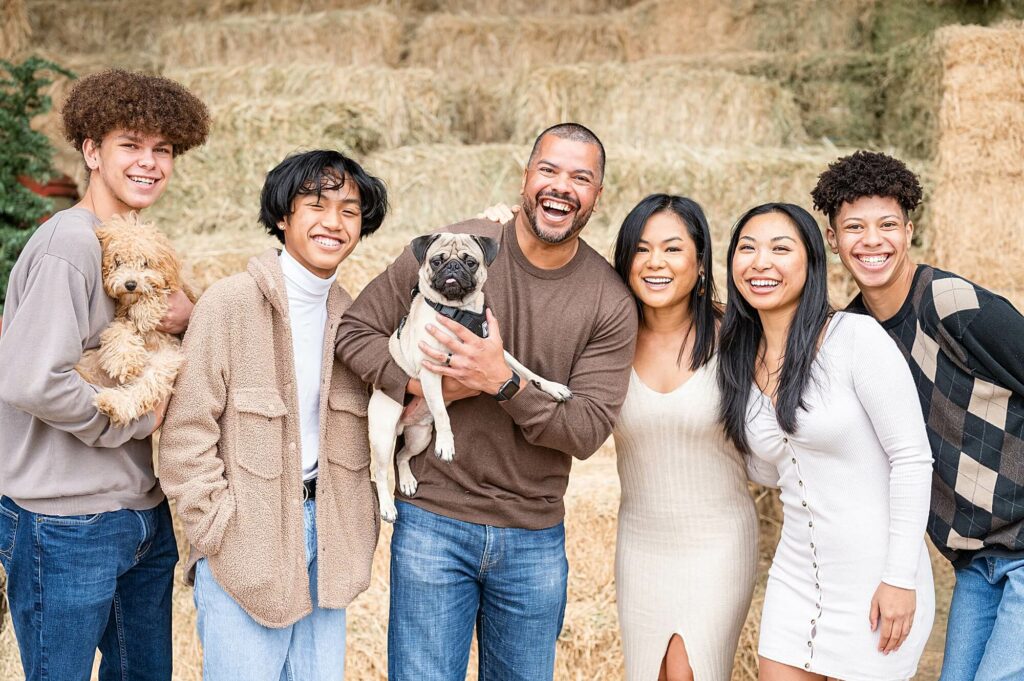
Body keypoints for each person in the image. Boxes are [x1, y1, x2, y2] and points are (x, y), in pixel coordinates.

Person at [336, 122, 637, 680]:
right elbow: (355, 332)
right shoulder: (454, 244)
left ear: (598, 193)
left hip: (533, 534)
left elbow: (587, 431)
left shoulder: (609, 299)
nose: (561, 187)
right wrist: (419, 388)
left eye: (581, 178)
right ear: (525, 176)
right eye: (548, 170)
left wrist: (502, 381)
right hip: (433, 521)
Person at [0, 70, 208, 681]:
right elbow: (31, 379)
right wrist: (140, 416)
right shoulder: (69, 244)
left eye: (163, 149)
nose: (150, 163)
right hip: (65, 523)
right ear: (91, 151)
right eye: (130, 144)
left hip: (140, 510)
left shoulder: (134, 246)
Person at [157, 150, 387, 681]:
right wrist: (218, 529)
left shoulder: (354, 321)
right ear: (283, 217)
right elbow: (186, 433)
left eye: (349, 211)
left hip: (330, 544)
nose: (334, 222)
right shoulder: (229, 305)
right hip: (246, 537)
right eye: (316, 205)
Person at [811, 151, 1024, 681]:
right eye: (854, 226)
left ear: (909, 230)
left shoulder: (953, 304)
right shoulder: (853, 332)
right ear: (833, 239)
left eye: (887, 224)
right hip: (976, 561)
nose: (872, 240)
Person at [717, 202, 935, 680]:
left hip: (877, 580)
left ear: (812, 262)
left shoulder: (855, 339)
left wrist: (899, 578)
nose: (760, 262)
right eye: (747, 248)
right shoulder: (737, 361)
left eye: (780, 248)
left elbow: (913, 459)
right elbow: (772, 469)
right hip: (795, 579)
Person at [610, 194, 758, 681]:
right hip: (641, 544)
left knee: (689, 673)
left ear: (699, 265)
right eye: (642, 249)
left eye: (673, 249)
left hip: (717, 543)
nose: (655, 262)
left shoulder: (738, 337)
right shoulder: (607, 341)